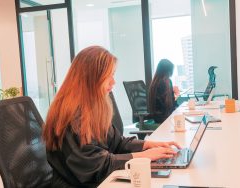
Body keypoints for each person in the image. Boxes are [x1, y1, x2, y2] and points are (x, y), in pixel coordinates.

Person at [42, 46, 181, 187]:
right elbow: (97, 166)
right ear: (91, 77)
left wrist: (149, 145)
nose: (113, 82)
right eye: (109, 75)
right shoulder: (70, 116)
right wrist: (144, 156)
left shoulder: (91, 108)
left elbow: (117, 142)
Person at [148, 59, 179, 123]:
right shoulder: (165, 83)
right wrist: (176, 94)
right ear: (169, 71)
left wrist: (172, 93)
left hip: (158, 117)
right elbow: (168, 106)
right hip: (164, 118)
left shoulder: (155, 82)